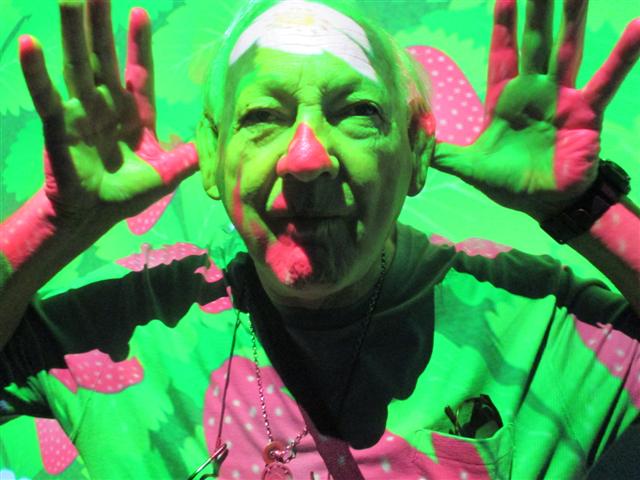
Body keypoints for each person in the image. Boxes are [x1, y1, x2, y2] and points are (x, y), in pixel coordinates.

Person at [1, 0, 638, 478]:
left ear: (417, 150)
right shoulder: (127, 331)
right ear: (213, 156)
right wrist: (53, 224)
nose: (306, 157)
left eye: (358, 112)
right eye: (262, 117)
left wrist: (586, 209)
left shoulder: (531, 326)